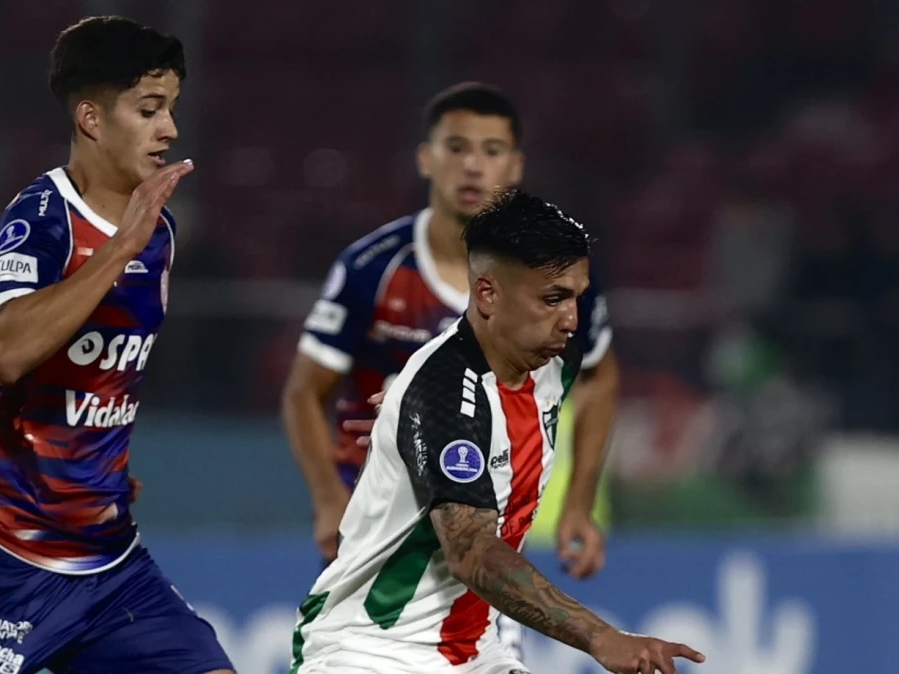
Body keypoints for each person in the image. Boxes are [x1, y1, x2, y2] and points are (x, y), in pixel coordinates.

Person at [0, 16, 234, 674]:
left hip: (110, 568)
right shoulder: (42, 217)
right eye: (149, 109)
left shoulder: (159, 235)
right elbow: (3, 349)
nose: (168, 128)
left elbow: (96, 383)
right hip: (4, 563)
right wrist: (118, 249)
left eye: (170, 108)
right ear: (91, 117)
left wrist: (91, 467)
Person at [289, 189, 704, 674]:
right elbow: (471, 553)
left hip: (473, 652)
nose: (572, 319)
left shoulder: (549, 353)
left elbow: (600, 372)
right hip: (371, 653)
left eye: (577, 297)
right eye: (553, 299)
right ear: (488, 294)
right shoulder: (444, 393)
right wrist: (602, 637)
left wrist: (580, 500)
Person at [281, 83, 619, 655]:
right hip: (385, 519)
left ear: (515, 165)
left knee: (482, 636)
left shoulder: (550, 280)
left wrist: (579, 502)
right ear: (425, 158)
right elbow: (303, 393)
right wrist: (326, 499)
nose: (472, 166)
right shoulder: (373, 268)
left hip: (483, 512)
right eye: (457, 147)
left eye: (491, 151)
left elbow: (599, 376)